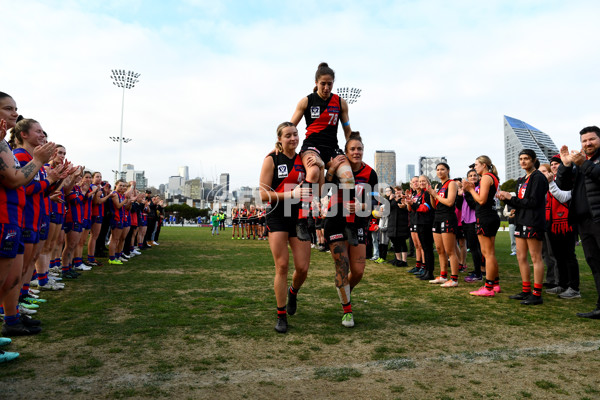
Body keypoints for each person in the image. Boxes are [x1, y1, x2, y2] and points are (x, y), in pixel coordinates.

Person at [290, 62, 354, 240]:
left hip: (332, 148)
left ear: (333, 83)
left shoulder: (340, 103)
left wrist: (351, 151)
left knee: (348, 177)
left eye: (330, 84)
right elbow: (290, 127)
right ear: (316, 82)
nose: (326, 87)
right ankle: (302, 220)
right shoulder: (306, 101)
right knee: (313, 170)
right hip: (312, 146)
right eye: (323, 84)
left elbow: (347, 130)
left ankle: (349, 224)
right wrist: (280, 144)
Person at [259, 122, 311, 333]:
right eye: (288, 135)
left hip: (299, 216)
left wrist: (321, 168)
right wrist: (291, 195)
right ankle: (281, 315)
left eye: (295, 134)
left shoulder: (304, 159)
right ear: (279, 139)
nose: (293, 138)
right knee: (282, 266)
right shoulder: (271, 159)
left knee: (303, 268)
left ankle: (293, 291)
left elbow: (318, 186)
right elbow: (263, 195)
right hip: (278, 216)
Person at [324, 132, 378, 328]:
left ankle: (343, 290)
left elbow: (374, 201)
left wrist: (362, 207)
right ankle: (347, 310)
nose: (357, 152)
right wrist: (330, 169)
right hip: (336, 220)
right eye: (353, 149)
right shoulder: (340, 166)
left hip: (358, 224)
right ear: (346, 152)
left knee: (358, 272)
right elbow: (323, 189)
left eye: (360, 149)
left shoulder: (370, 173)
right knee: (342, 265)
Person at [555, 126, 600, 318]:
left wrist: (584, 164)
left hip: (598, 218)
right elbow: (563, 186)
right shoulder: (583, 162)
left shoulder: (587, 163)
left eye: (592, 139)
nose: (587, 143)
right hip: (584, 222)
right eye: (584, 141)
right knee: (595, 264)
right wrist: (565, 166)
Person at [498, 149, 548, 305]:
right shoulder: (521, 180)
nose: (523, 161)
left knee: (535, 257)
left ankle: (537, 293)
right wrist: (507, 201)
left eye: (526, 158)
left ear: (533, 160)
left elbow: (533, 202)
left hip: (534, 221)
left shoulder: (538, 178)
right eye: (521, 159)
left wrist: (510, 198)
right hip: (520, 221)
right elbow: (520, 202)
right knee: (520, 256)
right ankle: (526, 290)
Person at [540, 159, 580, 298]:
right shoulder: (552, 181)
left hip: (566, 223)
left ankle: (574, 288)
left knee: (569, 256)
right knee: (558, 256)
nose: (554, 166)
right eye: (552, 165)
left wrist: (551, 183)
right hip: (552, 223)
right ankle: (562, 284)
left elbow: (563, 197)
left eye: (557, 164)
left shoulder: (567, 179)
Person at [463, 156, 501, 297]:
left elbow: (481, 200)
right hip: (489, 216)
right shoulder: (492, 177)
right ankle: (495, 284)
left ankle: (488, 287)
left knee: (488, 253)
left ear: (484, 165)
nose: (475, 167)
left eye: (477, 165)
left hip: (485, 217)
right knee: (489, 253)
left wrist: (470, 190)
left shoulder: (486, 177)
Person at [427, 163, 460, 287]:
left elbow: (450, 202)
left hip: (448, 217)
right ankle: (443, 276)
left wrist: (435, 195)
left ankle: (454, 279)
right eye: (438, 170)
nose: (440, 172)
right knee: (440, 250)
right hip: (437, 217)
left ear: (448, 170)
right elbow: (434, 205)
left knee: (450, 250)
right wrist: (432, 195)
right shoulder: (438, 185)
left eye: (442, 169)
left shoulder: (451, 183)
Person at [461, 169, 484, 283]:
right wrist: (462, 194)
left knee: (475, 248)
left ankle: (479, 273)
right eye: (470, 176)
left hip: (474, 220)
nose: (473, 177)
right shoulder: (467, 190)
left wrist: (467, 192)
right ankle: (477, 270)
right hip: (465, 220)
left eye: (475, 175)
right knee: (472, 247)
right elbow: (459, 205)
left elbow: (474, 205)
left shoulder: (477, 189)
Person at [387, 186, 409, 267]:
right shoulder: (391, 200)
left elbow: (408, 208)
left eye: (398, 190)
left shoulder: (404, 198)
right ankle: (398, 259)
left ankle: (404, 261)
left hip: (402, 223)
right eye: (395, 191)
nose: (397, 192)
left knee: (402, 241)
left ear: (402, 191)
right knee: (395, 242)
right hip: (392, 223)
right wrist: (389, 199)